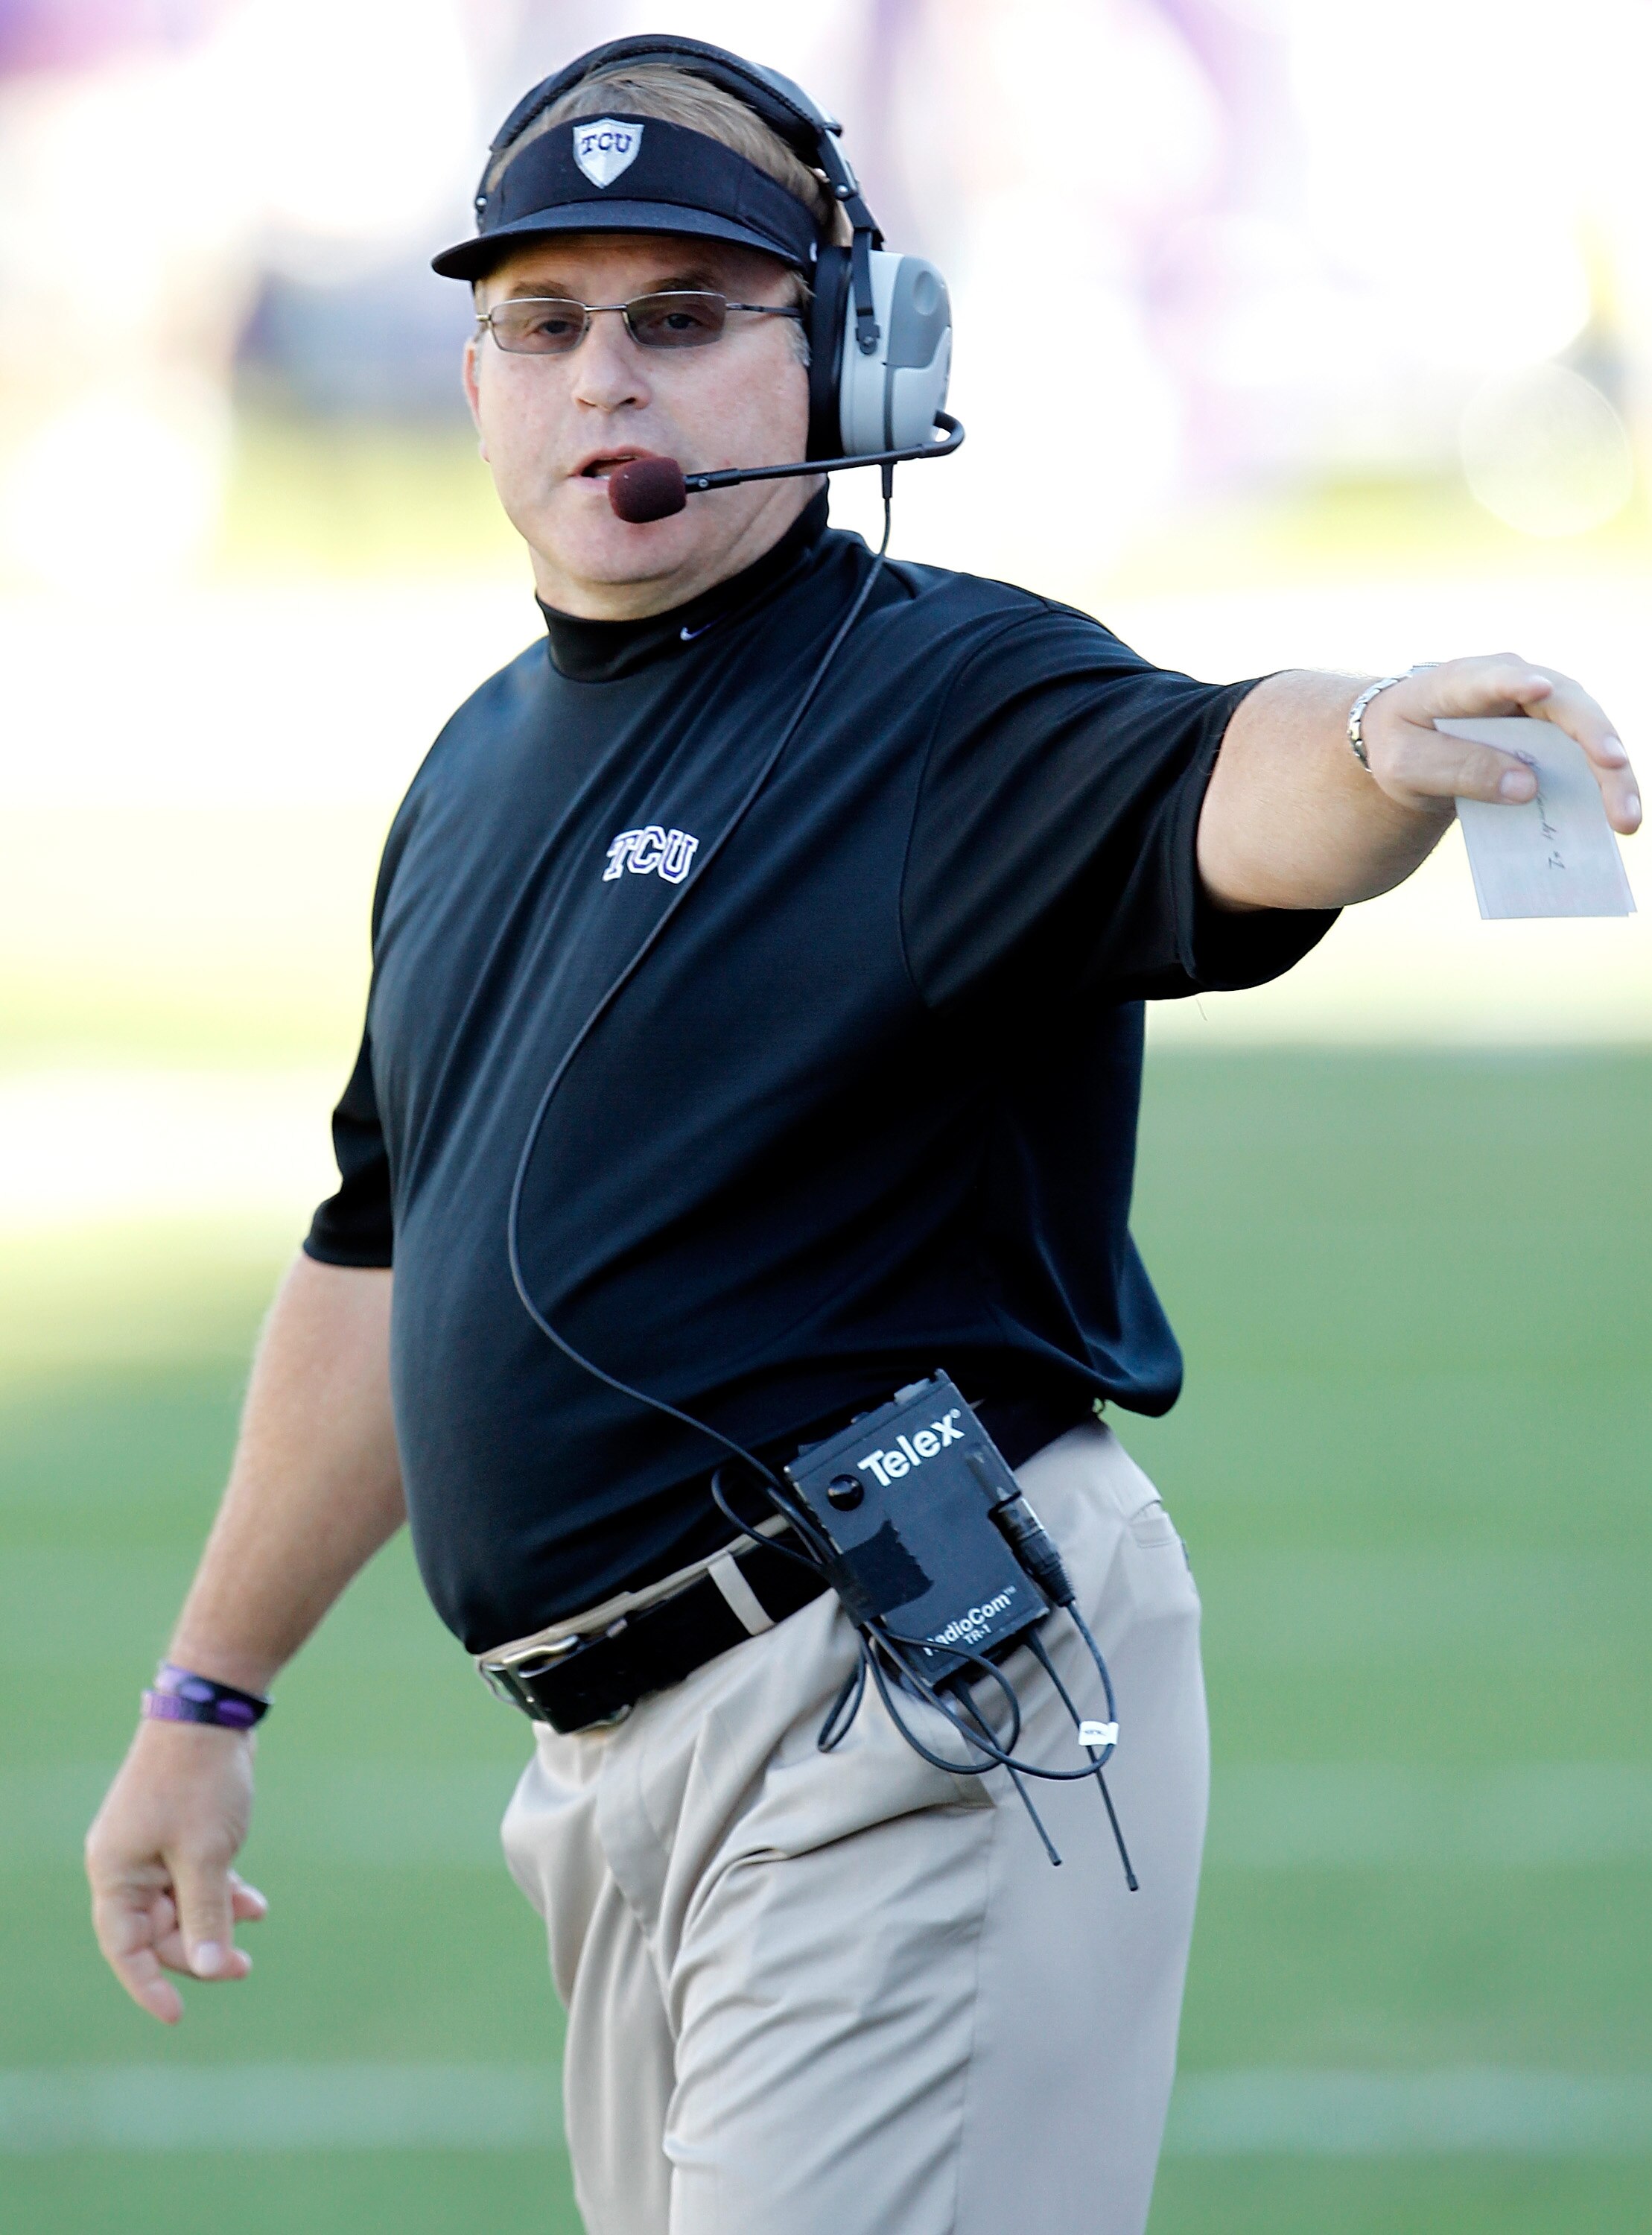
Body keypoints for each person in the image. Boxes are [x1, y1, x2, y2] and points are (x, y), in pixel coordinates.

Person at [84, 35, 1639, 2235]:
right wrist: (202, 1692)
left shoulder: (947, 696)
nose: (604, 380)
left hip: (903, 1706)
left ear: (857, 359)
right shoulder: (468, 764)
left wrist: (1381, 740)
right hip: (609, 1762)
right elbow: (384, 1249)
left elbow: (1224, 778)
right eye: (545, 326)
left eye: (687, 320)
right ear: (473, 383)